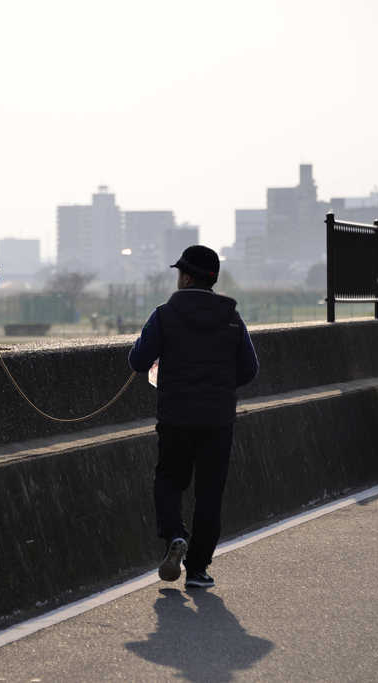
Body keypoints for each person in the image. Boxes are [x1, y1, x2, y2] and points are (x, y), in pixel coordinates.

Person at [128, 245, 259, 588]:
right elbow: (249, 369)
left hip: (176, 417)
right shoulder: (232, 317)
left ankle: (174, 536)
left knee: (170, 480)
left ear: (185, 277)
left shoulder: (164, 314)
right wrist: (220, 388)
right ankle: (198, 569)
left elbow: (139, 362)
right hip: (218, 419)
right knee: (210, 493)